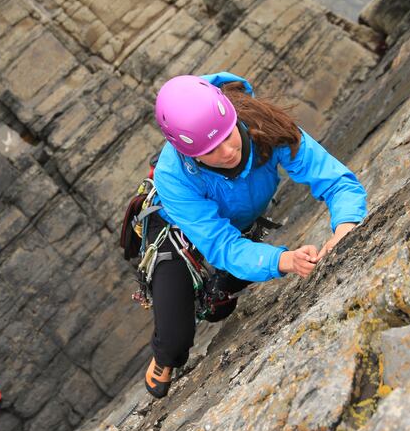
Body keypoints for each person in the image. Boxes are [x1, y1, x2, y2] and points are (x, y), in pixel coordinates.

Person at [144, 72, 367, 398]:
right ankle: (164, 358)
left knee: (221, 302)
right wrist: (283, 260)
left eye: (227, 135)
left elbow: (333, 180)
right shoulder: (174, 176)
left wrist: (347, 226)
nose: (227, 151)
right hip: (174, 231)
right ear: (189, 154)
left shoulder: (263, 123)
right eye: (211, 149)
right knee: (176, 335)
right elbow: (221, 245)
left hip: (235, 221)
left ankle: (218, 291)